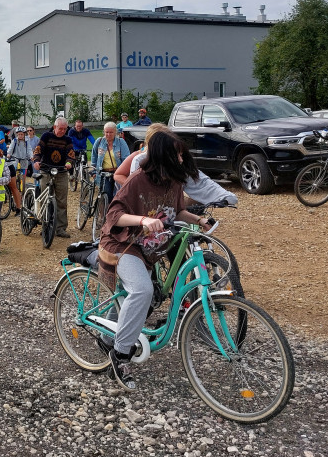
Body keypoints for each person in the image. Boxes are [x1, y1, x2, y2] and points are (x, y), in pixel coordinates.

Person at [98, 130, 212, 390]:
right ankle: (120, 354)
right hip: (123, 244)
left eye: (182, 155)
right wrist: (142, 220)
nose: (182, 160)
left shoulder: (173, 181)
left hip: (148, 249)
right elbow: (113, 214)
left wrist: (199, 220)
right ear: (164, 156)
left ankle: (108, 337)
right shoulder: (138, 180)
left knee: (133, 296)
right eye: (178, 155)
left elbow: (177, 210)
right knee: (142, 290)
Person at [114, 124, 238, 206]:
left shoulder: (178, 160)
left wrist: (225, 197)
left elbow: (200, 181)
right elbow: (123, 179)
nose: (180, 159)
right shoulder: (139, 160)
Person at [32, 117, 75, 238]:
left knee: (62, 201)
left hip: (61, 171)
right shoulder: (46, 136)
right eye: (60, 128)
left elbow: (71, 154)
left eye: (64, 129)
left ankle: (60, 228)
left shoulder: (68, 139)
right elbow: (38, 150)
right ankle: (45, 225)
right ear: (54, 127)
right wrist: (36, 160)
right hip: (46, 170)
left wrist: (69, 162)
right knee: (45, 198)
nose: (62, 131)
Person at [92, 122, 129, 200]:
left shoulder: (121, 142)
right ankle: (105, 211)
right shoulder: (99, 142)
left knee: (119, 196)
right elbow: (94, 157)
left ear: (115, 132)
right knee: (106, 195)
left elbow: (126, 159)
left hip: (118, 173)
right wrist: (94, 170)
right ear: (104, 132)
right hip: (104, 174)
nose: (108, 134)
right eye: (106, 132)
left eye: (111, 132)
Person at [5, 127, 32, 211]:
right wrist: (9, 154)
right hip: (15, 158)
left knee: (23, 175)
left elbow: (29, 150)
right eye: (19, 134)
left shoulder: (27, 141)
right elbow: (10, 149)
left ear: (24, 134)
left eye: (22, 134)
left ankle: (22, 188)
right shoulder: (15, 141)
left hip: (24, 159)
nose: (20, 136)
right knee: (14, 170)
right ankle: (15, 181)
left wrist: (31, 156)